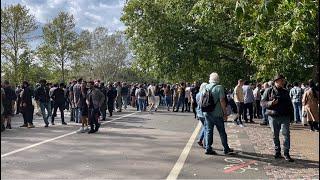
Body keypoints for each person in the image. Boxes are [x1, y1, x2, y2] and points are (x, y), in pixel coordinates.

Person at [261, 74, 294, 162]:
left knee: (286, 134)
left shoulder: (285, 91)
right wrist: (271, 103)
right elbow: (263, 103)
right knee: (275, 135)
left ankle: (286, 153)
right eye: (280, 80)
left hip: (285, 116)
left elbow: (290, 105)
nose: (282, 82)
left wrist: (292, 117)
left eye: (283, 80)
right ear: (276, 81)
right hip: (273, 116)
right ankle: (277, 152)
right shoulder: (268, 90)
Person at [203, 72, 233, 155]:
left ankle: (208, 148)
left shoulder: (206, 87)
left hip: (208, 112)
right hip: (217, 113)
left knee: (209, 130)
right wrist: (225, 113)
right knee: (222, 131)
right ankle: (226, 148)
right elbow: (222, 101)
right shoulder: (219, 87)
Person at [196, 82, 208, 148]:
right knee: (207, 128)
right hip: (204, 113)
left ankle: (200, 140)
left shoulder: (198, 94)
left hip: (199, 113)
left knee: (205, 126)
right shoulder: (205, 94)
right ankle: (206, 144)